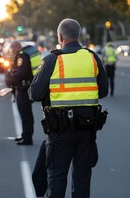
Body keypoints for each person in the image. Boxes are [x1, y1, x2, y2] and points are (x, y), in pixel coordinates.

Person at [28, 18, 109, 197]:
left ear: (60, 36)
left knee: (56, 179)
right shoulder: (92, 57)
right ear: (78, 36)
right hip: (87, 130)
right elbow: (103, 90)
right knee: (82, 180)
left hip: (60, 132)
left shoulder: (51, 60)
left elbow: (34, 93)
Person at [6, 40, 41, 145]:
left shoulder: (22, 57)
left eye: (12, 49)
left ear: (17, 48)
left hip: (25, 89)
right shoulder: (20, 56)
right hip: (22, 88)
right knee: (24, 113)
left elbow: (21, 73)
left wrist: (11, 76)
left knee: (26, 114)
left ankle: (27, 137)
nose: (11, 51)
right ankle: (24, 134)